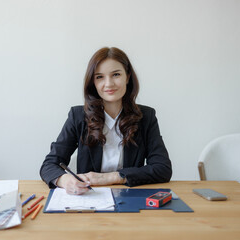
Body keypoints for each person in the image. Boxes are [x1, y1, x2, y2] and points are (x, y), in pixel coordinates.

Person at [40, 47, 172, 195]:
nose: (108, 84)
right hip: (89, 199)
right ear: (93, 83)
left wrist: (110, 177)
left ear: (127, 77)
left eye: (116, 74)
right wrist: (65, 180)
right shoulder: (77, 116)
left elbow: (162, 168)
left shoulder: (146, 116)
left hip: (130, 198)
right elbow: (49, 165)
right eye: (99, 77)